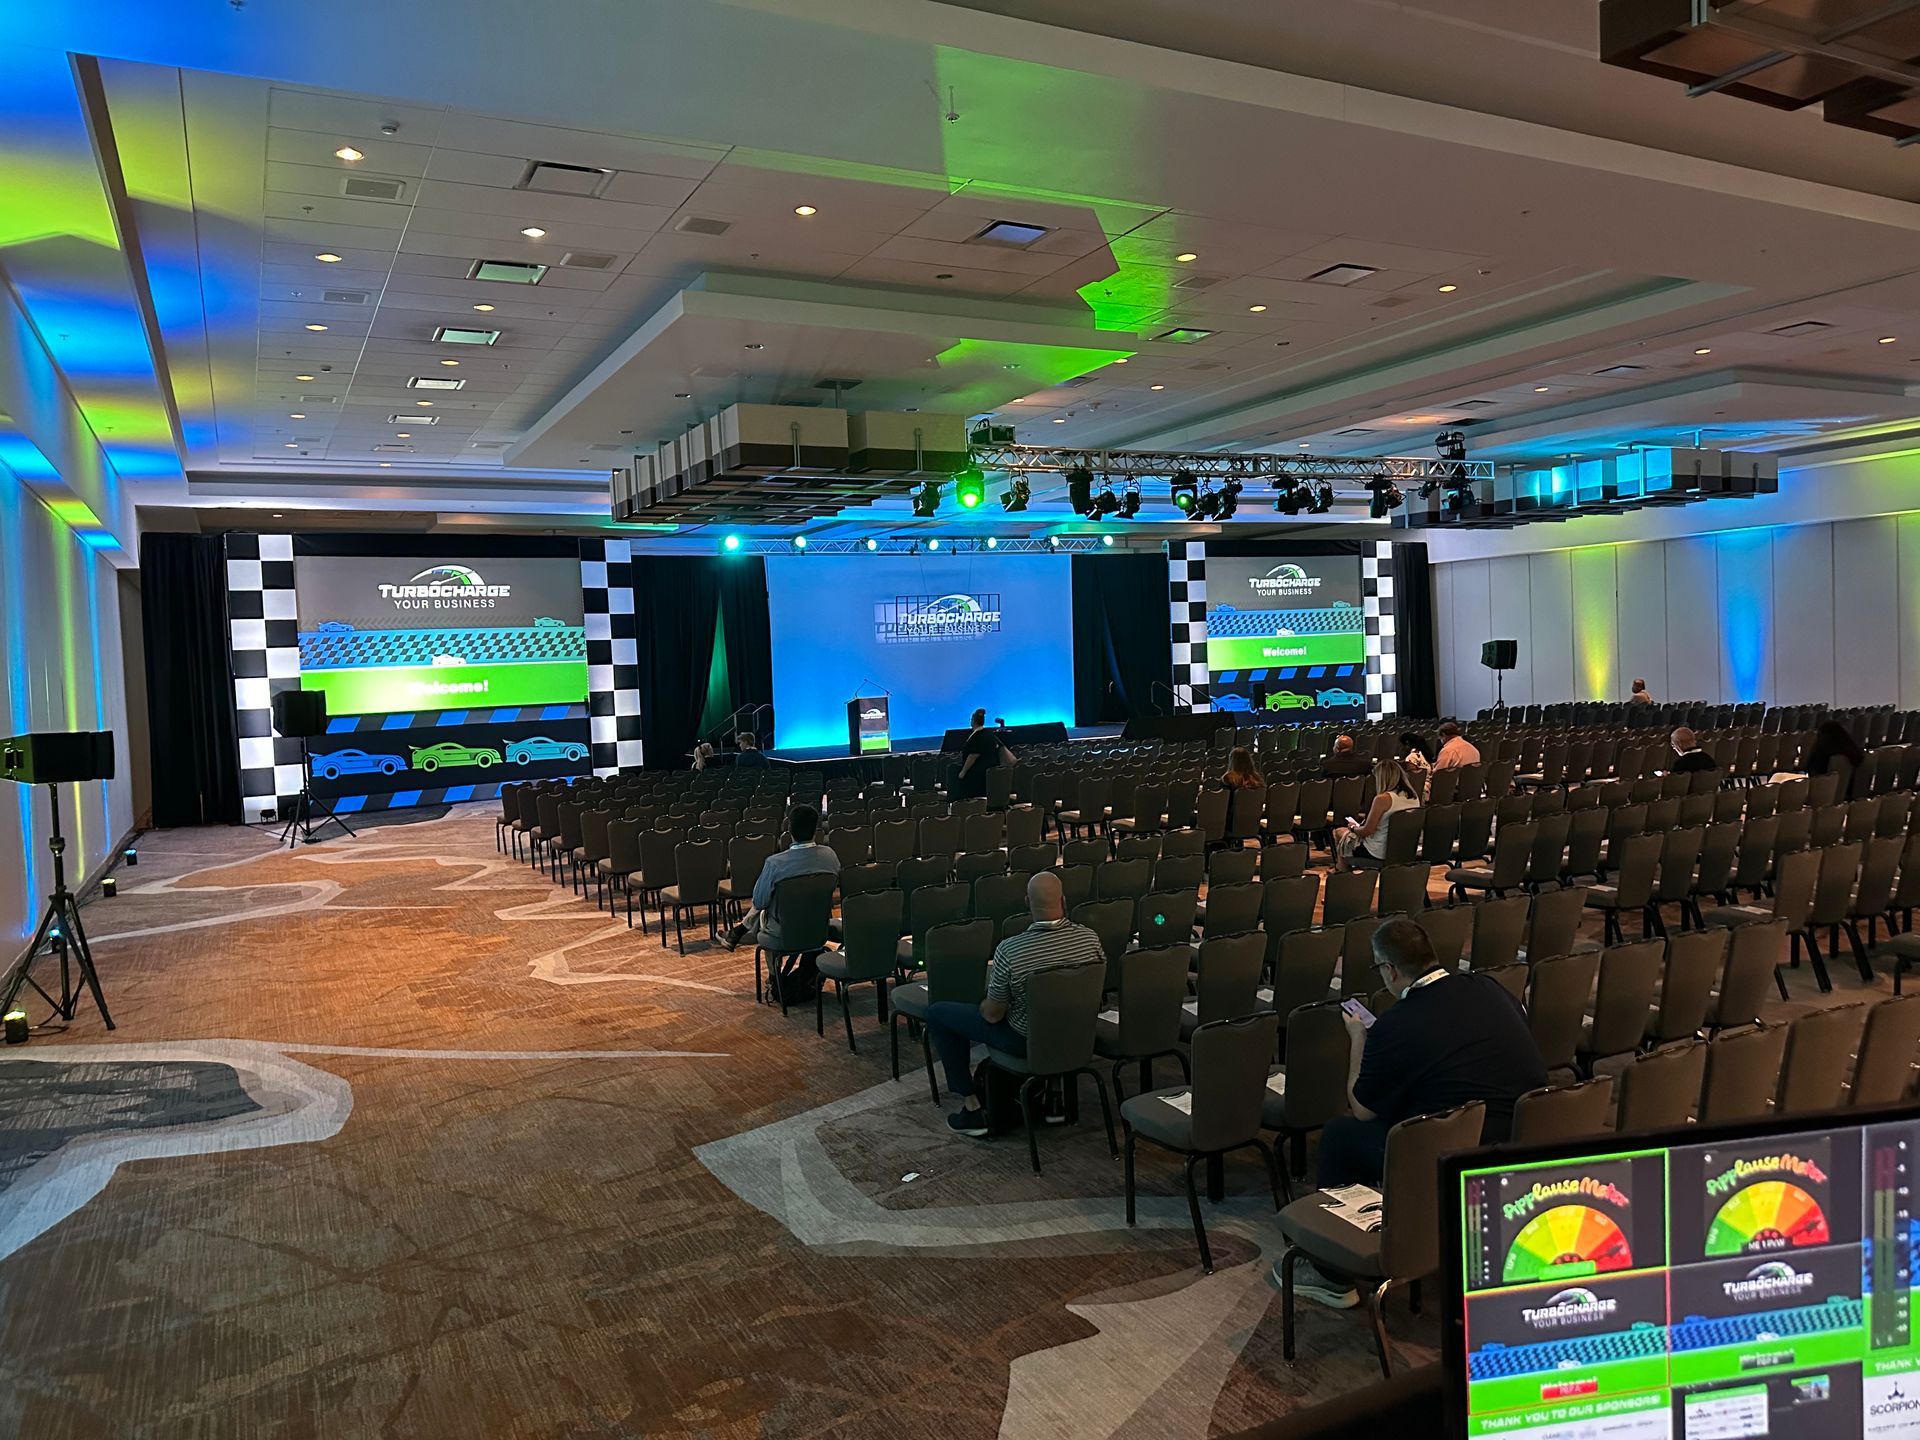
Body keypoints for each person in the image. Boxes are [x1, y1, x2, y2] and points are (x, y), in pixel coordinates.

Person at [1282, 917, 1546, 1309]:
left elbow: (1363, 1108)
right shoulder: (1489, 986)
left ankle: (1334, 1277)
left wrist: (1359, 1040)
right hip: (1527, 1138)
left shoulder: (1397, 1024)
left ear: (1389, 970)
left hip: (1453, 1153)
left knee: (1341, 1134)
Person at [925, 871, 1105, 1137]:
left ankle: (973, 1106)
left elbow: (994, 1016)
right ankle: (1054, 1097)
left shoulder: (1011, 951)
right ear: (1064, 901)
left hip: (1024, 1039)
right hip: (1078, 1035)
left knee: (938, 1014)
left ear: (1027, 903)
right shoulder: (1090, 940)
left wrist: (986, 1002)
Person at [721, 805, 839, 967]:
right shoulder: (830, 856)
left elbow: (760, 901)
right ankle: (738, 931)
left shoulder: (775, 863)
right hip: (818, 928)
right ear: (815, 829)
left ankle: (772, 975)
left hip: (783, 933)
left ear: (789, 829)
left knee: (768, 904)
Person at [1334, 759, 1421, 870]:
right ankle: (1340, 869)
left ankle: (1341, 870)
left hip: (1378, 851)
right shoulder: (1413, 796)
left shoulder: (1382, 799)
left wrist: (1353, 828)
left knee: (1339, 832)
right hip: (1402, 850)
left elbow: (1367, 831)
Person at [951, 708, 1007, 800]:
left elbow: (973, 756)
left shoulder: (977, 736)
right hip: (989, 774)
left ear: (973, 721)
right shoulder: (989, 734)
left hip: (977, 776)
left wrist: (963, 772)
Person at [1397, 730, 1434, 795]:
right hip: (1430, 787)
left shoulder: (1411, 758)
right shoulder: (1423, 753)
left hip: (1420, 791)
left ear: (1407, 743)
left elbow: (1412, 779)